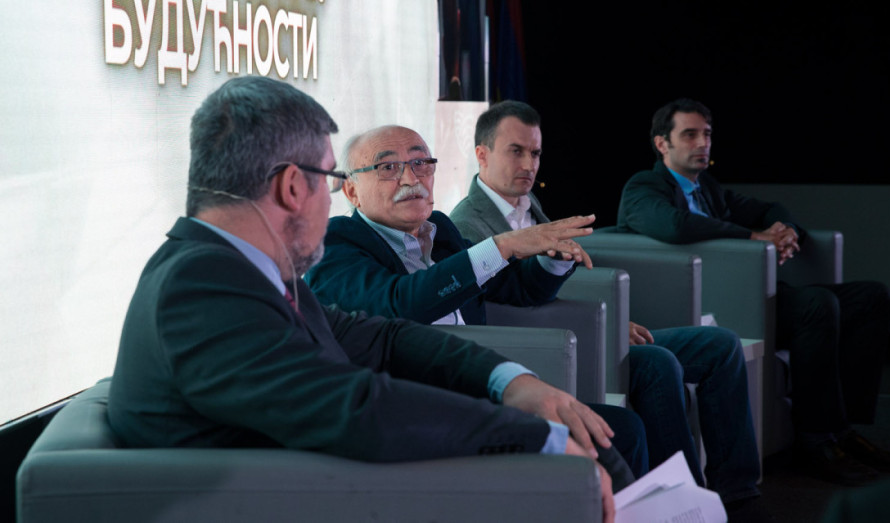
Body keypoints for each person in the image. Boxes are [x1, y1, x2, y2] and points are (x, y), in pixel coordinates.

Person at [106, 76, 626, 518]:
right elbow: (355, 409)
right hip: (324, 498)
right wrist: (537, 436)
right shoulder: (202, 287)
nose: (333, 198)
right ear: (293, 187)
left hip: (336, 484)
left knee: (596, 438)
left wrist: (511, 382)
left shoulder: (240, 270)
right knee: (591, 448)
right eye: (332, 179)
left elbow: (385, 339)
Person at [448, 100, 761, 509]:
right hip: (551, 347)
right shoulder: (466, 224)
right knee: (656, 363)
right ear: (482, 154)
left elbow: (559, 283)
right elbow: (509, 303)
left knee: (720, 345)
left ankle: (737, 493)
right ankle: (683, 502)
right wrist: (601, 327)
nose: (529, 164)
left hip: (591, 329)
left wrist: (611, 320)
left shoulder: (528, 205)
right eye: (516, 151)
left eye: (536, 153)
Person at [304, 123, 649, 486]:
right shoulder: (335, 242)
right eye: (388, 167)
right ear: (352, 190)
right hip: (415, 408)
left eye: (421, 163)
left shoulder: (439, 229)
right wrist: (503, 245)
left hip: (482, 384)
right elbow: (399, 303)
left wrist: (554, 258)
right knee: (615, 433)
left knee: (619, 428)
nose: (411, 178)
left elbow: (515, 288)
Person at [618, 97, 890, 486]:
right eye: (690, 134)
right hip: (712, 304)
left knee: (871, 298)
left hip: (751, 292)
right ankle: (816, 439)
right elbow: (673, 225)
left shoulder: (708, 188)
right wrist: (753, 237)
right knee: (817, 304)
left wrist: (785, 231)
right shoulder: (643, 186)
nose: (703, 143)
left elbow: (771, 208)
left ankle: (842, 429)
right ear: (662, 143)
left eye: (707, 134)